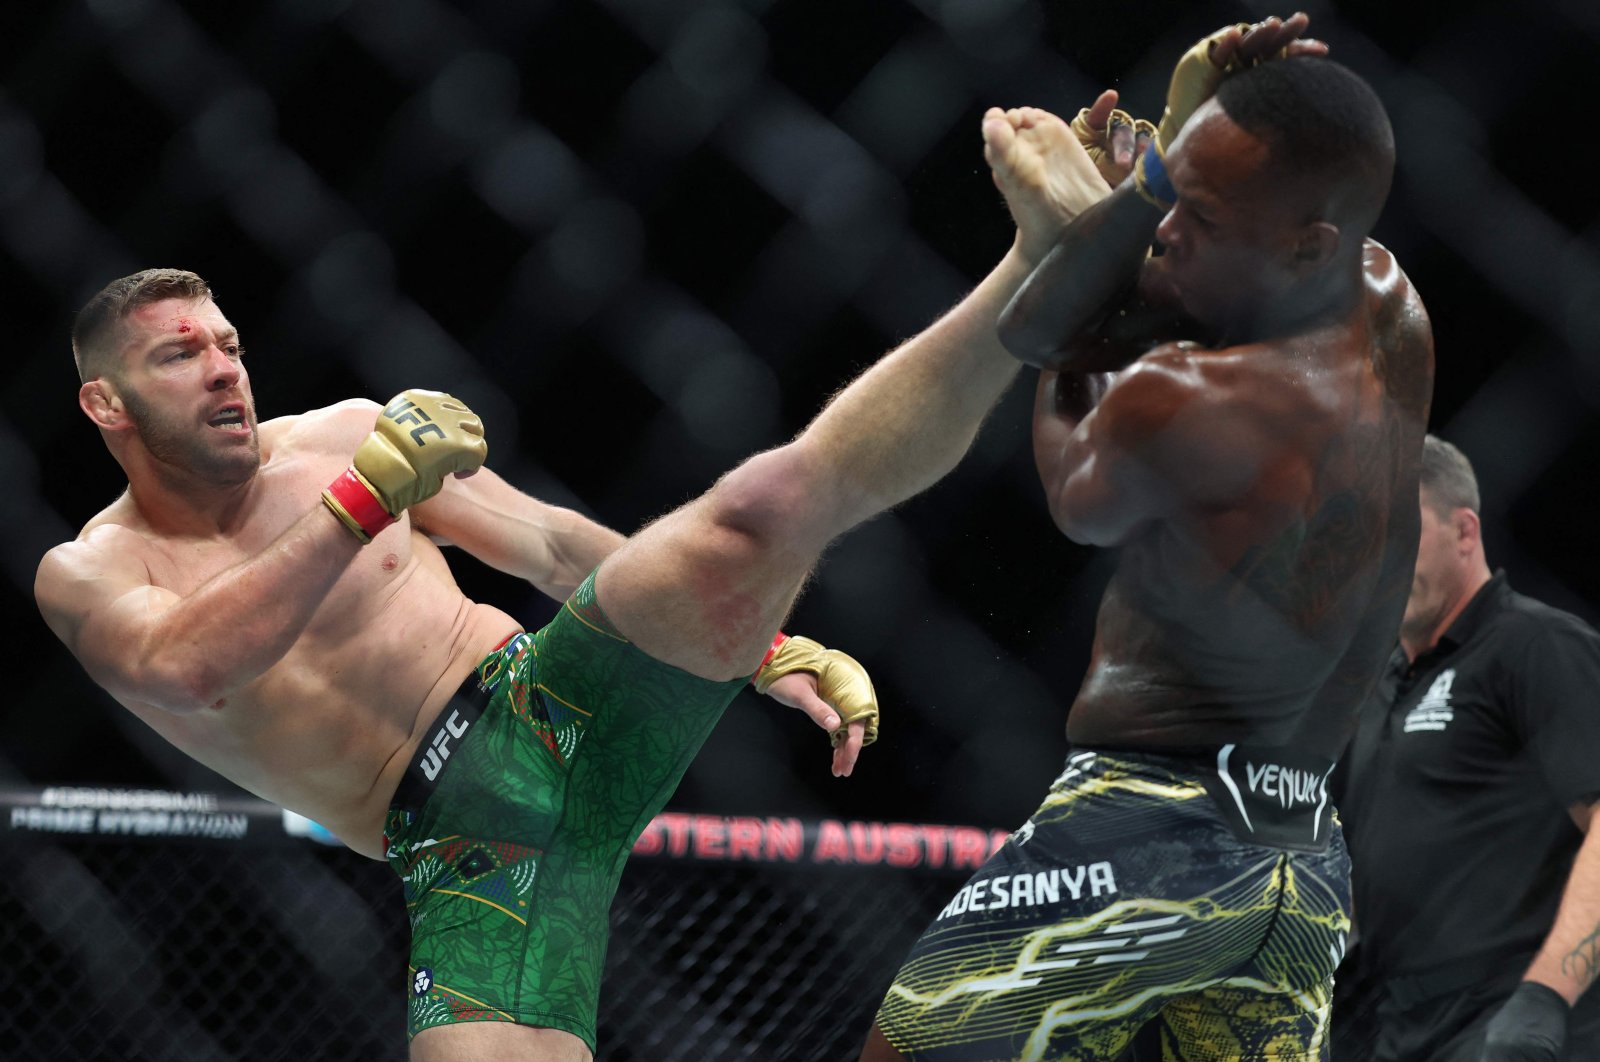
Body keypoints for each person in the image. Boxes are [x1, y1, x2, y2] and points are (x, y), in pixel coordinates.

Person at [30, 70, 1119, 1061]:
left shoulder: (340, 434)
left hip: (560, 691)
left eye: (229, 345)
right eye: (182, 355)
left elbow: (549, 544)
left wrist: (767, 648)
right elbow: (185, 668)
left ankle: (1033, 266)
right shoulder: (90, 571)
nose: (225, 372)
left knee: (759, 506)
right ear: (105, 403)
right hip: (465, 850)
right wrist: (362, 503)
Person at [861, 14, 1436, 1061]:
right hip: (1301, 860)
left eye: (1197, 215)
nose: (1166, 228)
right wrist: (1167, 153)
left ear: (1304, 242)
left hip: (1144, 831)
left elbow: (1054, 370)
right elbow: (1175, 296)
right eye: (1170, 188)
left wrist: (1067, 224)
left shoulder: (1185, 395)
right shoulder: (1389, 305)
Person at [1328, 435, 1600, 1062]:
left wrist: (1545, 997)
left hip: (1512, 1026)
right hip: (1397, 1032)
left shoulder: (1534, 647)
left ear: (1466, 532)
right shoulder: (1375, 690)